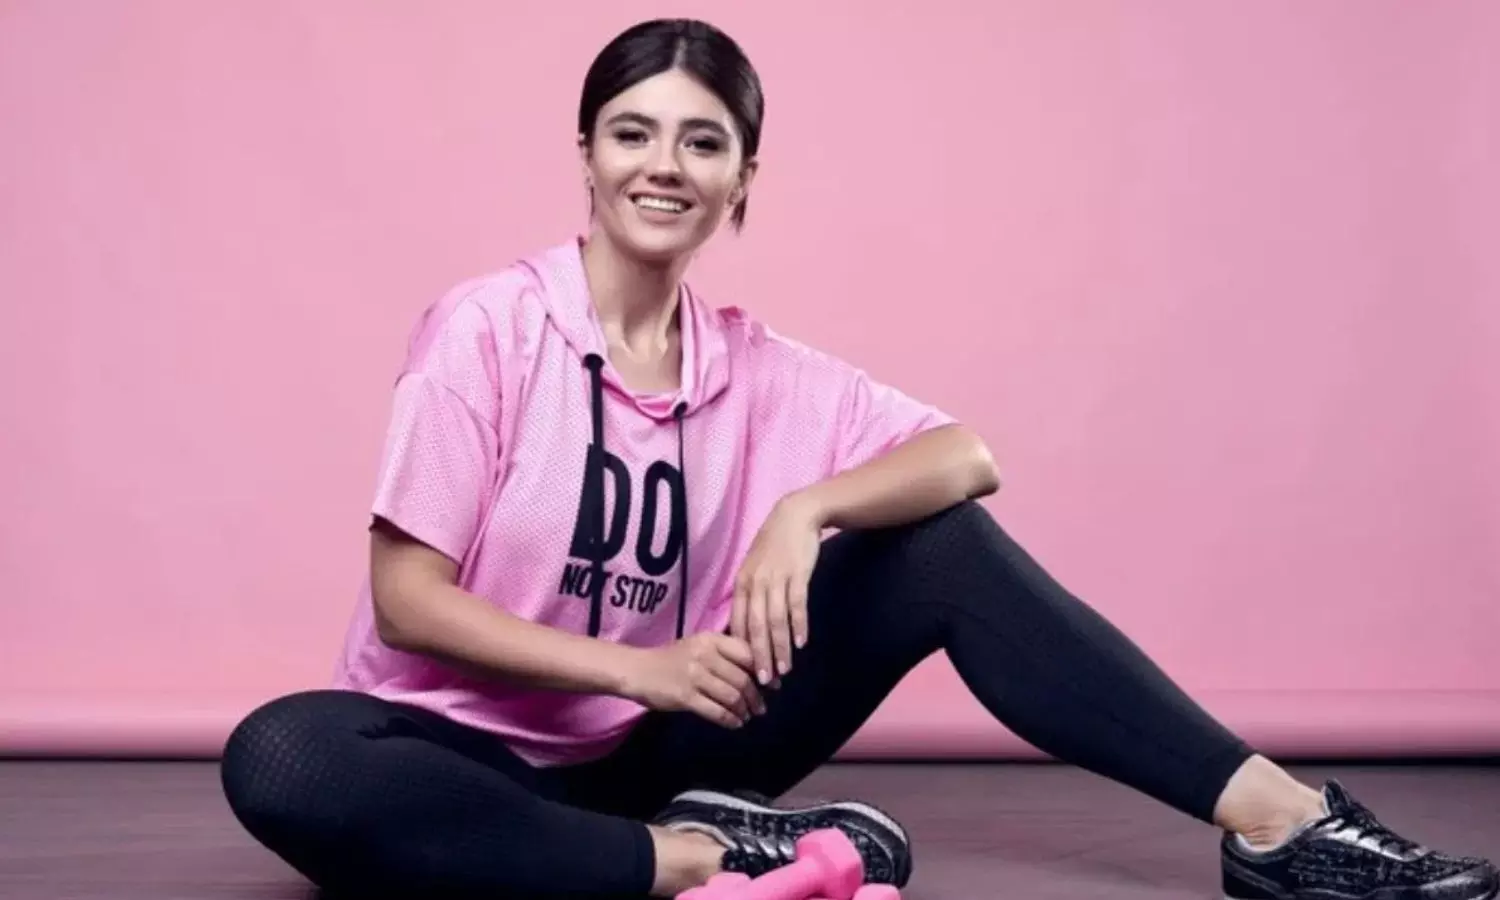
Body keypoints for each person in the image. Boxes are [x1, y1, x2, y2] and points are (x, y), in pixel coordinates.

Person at [219, 17, 1497, 900]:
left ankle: (1283, 826)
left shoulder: (757, 367)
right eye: (631, 132)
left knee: (936, 543)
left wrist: (807, 508)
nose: (663, 165)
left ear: (743, 179)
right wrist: (640, 668)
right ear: (588, 159)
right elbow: (409, 602)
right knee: (284, 756)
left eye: (702, 141)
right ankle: (700, 861)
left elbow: (965, 457)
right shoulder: (489, 329)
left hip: (663, 751)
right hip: (453, 758)